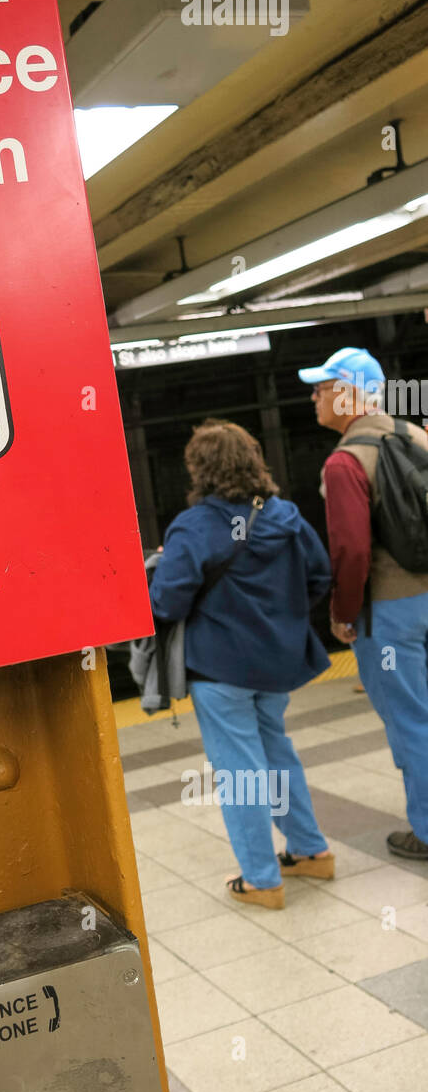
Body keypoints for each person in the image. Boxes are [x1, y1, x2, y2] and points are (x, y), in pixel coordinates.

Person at [148, 420, 333, 909]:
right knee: (276, 756)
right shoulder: (286, 515)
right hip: (278, 664)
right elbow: (319, 576)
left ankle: (262, 879)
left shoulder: (196, 526)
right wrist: (282, 616)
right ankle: (311, 850)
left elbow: (166, 603)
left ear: (200, 470)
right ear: (254, 460)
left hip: (221, 669)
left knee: (241, 773)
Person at [299, 346, 428, 861]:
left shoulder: (345, 462)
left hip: (391, 614)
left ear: (351, 394)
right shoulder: (418, 435)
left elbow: (351, 551)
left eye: (323, 388)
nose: (314, 397)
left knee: (412, 721)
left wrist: (343, 613)